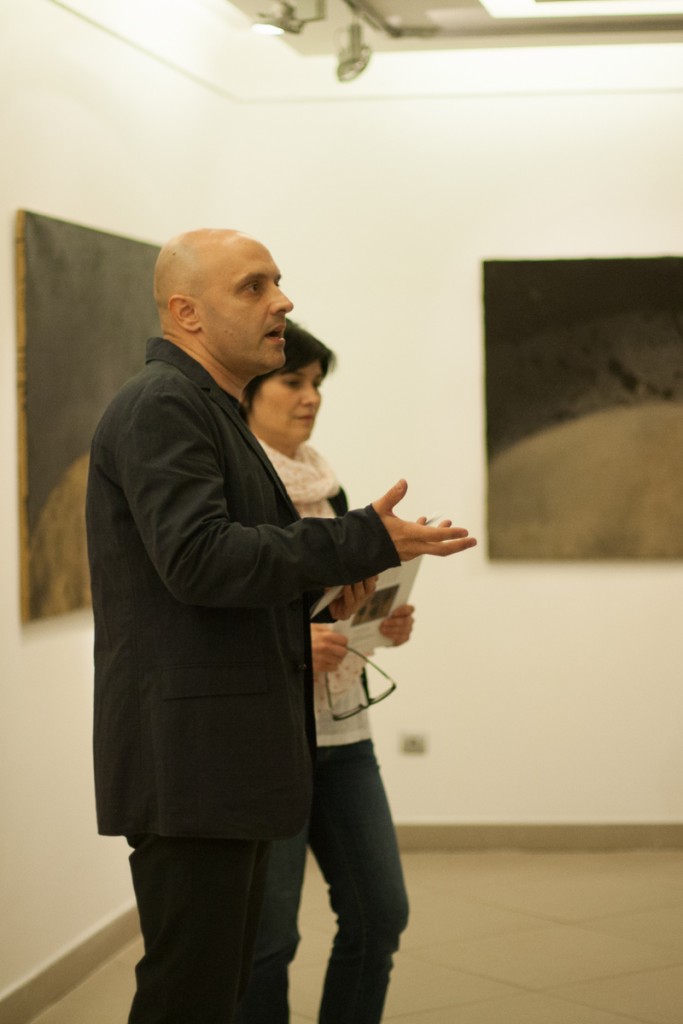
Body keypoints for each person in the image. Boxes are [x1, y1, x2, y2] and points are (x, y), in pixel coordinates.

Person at [85, 227, 477, 1024]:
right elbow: (198, 560)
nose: (283, 302)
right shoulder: (164, 405)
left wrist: (325, 600)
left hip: (219, 758)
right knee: (190, 996)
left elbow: (207, 588)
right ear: (187, 314)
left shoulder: (207, 409)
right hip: (193, 765)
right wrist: (359, 539)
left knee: (216, 988)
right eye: (254, 286)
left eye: (277, 282)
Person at [236, 321, 414, 1024]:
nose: (310, 397)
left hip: (342, 734)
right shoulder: (234, 492)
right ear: (248, 393)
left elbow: (327, 610)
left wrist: (375, 625)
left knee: (381, 914)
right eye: (293, 381)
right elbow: (213, 617)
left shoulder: (328, 487)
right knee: (267, 942)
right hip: (268, 741)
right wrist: (290, 646)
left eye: (316, 383)